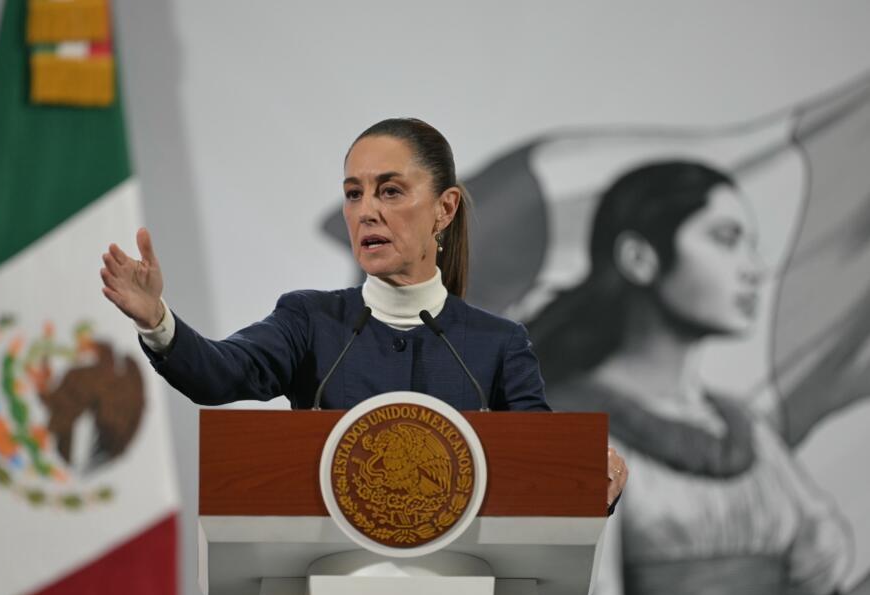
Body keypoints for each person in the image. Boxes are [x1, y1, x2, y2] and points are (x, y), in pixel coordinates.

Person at [99, 117, 627, 508]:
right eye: (354, 194)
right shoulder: (310, 321)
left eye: (390, 191)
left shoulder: (498, 343)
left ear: (444, 209)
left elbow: (545, 464)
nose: (366, 210)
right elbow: (218, 375)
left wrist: (592, 478)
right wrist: (157, 321)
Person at [530, 161, 856, 595]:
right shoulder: (560, 429)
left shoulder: (744, 430)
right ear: (640, 258)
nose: (753, 268)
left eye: (751, 243)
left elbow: (819, 590)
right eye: (725, 239)